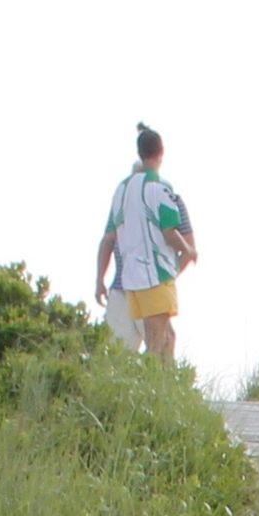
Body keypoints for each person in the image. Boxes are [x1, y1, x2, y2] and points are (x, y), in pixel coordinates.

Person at [95, 125, 198, 361]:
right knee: (160, 342)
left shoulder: (122, 191)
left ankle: (144, 392)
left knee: (120, 353)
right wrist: (183, 257)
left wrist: (99, 279)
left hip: (126, 282)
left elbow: (108, 239)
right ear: (161, 153)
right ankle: (158, 392)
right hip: (152, 278)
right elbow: (172, 233)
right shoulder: (160, 190)